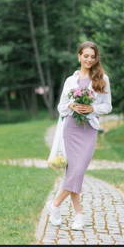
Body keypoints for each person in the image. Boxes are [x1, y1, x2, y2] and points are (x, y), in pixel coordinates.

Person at [49, 41, 112, 230]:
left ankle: (54, 205)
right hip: (71, 129)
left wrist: (92, 108)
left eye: (92, 56)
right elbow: (60, 107)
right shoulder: (70, 80)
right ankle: (79, 216)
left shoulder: (103, 79)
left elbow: (108, 106)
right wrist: (70, 105)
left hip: (89, 130)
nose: (89, 59)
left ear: (96, 58)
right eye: (85, 56)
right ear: (79, 56)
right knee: (73, 172)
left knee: (77, 170)